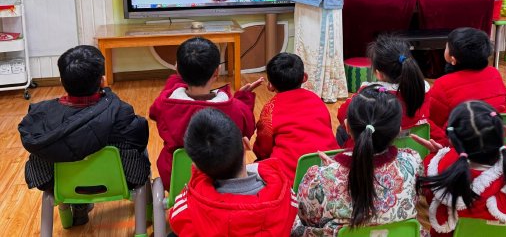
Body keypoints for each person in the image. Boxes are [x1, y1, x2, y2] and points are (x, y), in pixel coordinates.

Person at [18, 45, 150, 226]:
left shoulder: (41, 115)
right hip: (123, 180)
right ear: (102, 81)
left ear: (62, 81)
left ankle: (73, 211)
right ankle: (145, 217)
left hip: (57, 183)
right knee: (140, 148)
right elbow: (139, 140)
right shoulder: (120, 111)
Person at [291, 86, 424, 236]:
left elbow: (306, 218)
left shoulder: (319, 180)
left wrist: (330, 173)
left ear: (347, 127)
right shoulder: (413, 162)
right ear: (398, 131)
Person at [149, 37, 262, 190]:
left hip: (177, 179)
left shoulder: (164, 104)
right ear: (217, 71)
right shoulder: (235, 107)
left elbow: (154, 113)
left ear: (178, 70)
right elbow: (245, 130)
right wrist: (243, 99)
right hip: (222, 180)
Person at [415, 101, 506, 237]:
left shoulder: (437, 170)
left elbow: (429, 191)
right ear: (504, 131)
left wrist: (438, 155)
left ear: (452, 141)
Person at [169, 108, 297, 236]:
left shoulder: (189, 207)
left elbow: (176, 220)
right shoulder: (284, 194)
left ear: (196, 166)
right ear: (246, 144)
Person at [336, 34, 445, 147]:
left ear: (378, 74)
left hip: (376, 146)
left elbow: (343, 114)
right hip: (415, 145)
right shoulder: (423, 88)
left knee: (342, 130)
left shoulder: (369, 93)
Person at [253, 53, 338, 182]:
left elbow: (263, 148)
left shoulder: (270, 109)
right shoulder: (316, 99)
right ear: (304, 77)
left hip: (291, 178)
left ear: (270, 85)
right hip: (328, 170)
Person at [427, 27, 506, 143]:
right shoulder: (494, 73)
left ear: (453, 59)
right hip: (496, 138)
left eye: (447, 47)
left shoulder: (443, 84)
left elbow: (434, 119)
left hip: (461, 144)